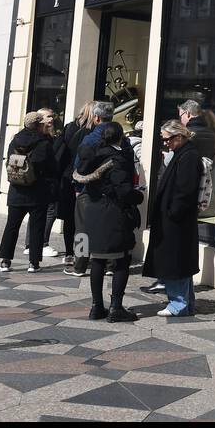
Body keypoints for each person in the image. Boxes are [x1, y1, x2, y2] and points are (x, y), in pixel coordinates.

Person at [72, 121, 142, 322]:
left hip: (93, 210)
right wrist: (138, 197)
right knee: (121, 260)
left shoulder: (91, 156)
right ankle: (116, 307)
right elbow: (123, 190)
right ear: (119, 137)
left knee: (98, 260)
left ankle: (96, 307)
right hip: (112, 212)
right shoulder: (115, 159)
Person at [144, 120, 202, 316]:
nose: (165, 143)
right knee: (178, 263)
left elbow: (185, 190)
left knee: (176, 263)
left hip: (177, 222)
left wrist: (173, 212)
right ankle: (184, 303)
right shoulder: (182, 153)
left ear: (179, 137)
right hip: (173, 219)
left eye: (167, 139)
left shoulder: (188, 157)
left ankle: (179, 304)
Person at [0, 109, 58, 273]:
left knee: (12, 225)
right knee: (37, 227)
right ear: (38, 125)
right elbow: (51, 167)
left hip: (17, 190)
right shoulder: (44, 143)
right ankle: (33, 263)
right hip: (37, 191)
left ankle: (5, 261)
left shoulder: (15, 140)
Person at [47, 102, 94, 274]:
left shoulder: (69, 128)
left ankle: (70, 253)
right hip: (82, 180)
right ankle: (81, 256)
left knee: (70, 219)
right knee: (83, 222)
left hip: (67, 179)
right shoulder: (93, 133)